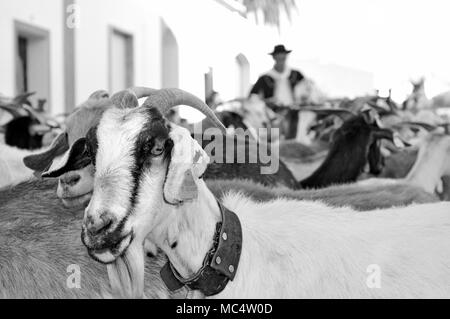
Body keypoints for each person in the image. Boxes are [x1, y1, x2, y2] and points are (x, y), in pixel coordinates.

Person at [249, 45, 305, 139]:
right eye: (278, 56)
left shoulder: (296, 74)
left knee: (292, 138)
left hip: (293, 112)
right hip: (273, 114)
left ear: (286, 57)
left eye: (283, 56)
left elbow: (307, 90)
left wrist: (301, 99)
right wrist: (266, 101)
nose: (281, 59)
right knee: (274, 140)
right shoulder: (265, 77)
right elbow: (253, 96)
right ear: (274, 57)